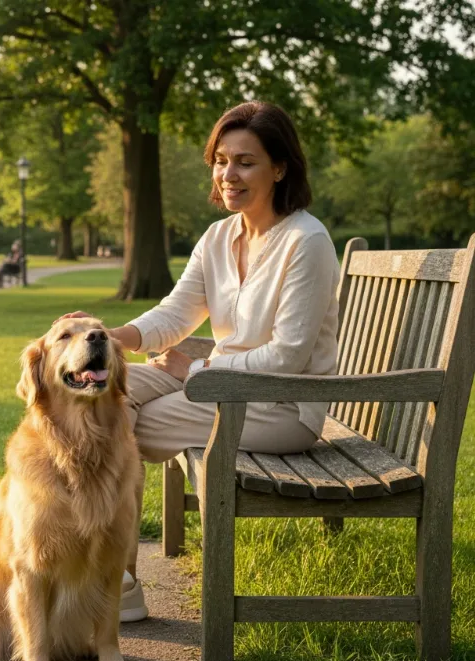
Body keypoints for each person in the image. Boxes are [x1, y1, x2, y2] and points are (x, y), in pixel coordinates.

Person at [58, 101, 340, 622]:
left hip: (280, 408)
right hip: (221, 390)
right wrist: (109, 337)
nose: (228, 174)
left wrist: (197, 372)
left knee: (112, 419)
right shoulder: (219, 237)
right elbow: (176, 313)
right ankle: (108, 577)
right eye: (221, 159)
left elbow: (290, 354)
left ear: (280, 168)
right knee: (98, 392)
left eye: (246, 162)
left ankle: (110, 583)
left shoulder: (307, 241)